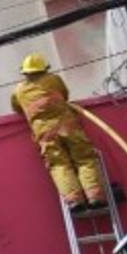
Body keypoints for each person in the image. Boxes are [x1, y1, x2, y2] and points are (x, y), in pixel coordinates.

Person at [10, 53, 105, 213]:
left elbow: (17, 108)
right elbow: (65, 95)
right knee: (85, 158)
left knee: (59, 164)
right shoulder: (54, 80)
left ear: (25, 72)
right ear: (44, 68)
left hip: (45, 134)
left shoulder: (18, 91)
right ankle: (95, 196)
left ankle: (74, 200)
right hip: (68, 126)